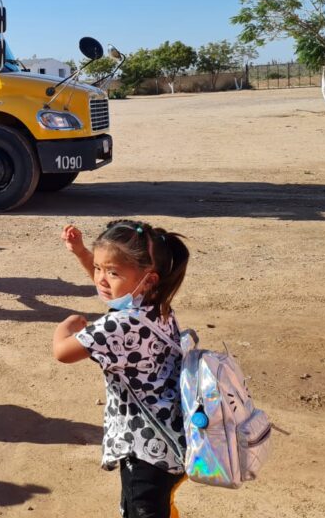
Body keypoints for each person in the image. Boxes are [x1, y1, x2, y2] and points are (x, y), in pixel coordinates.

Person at [53, 220, 190, 518]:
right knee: (162, 505)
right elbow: (114, 288)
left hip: (145, 451)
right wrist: (80, 253)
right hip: (172, 435)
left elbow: (63, 353)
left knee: (142, 510)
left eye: (111, 272)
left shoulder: (120, 325)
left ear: (148, 279)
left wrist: (65, 327)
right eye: (99, 268)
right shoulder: (157, 306)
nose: (101, 278)